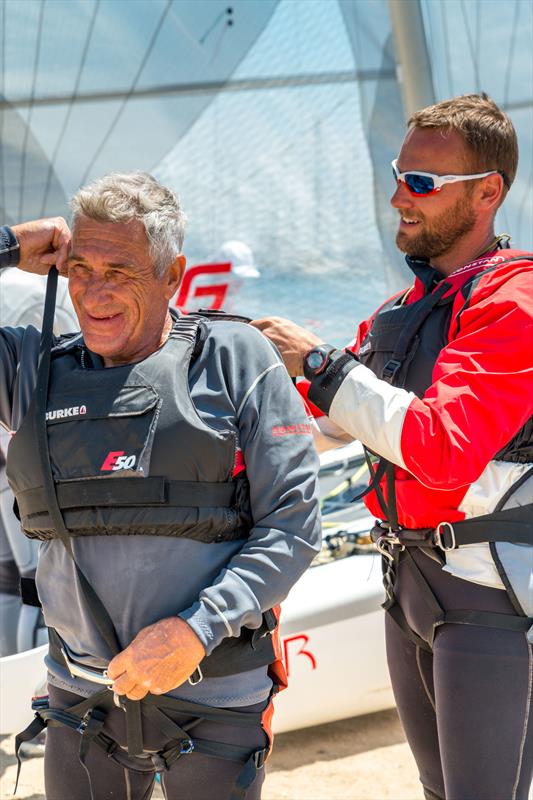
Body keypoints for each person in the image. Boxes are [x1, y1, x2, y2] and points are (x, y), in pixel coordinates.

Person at [0, 175, 321, 800]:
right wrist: (8, 245)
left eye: (119, 271)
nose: (93, 292)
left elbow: (295, 522)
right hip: (82, 698)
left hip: (216, 697)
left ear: (172, 275)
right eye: (81, 268)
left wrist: (195, 629)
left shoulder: (234, 356)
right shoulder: (30, 369)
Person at [253, 93, 533, 800]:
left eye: (420, 184)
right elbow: (321, 429)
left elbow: (442, 448)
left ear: (486, 193)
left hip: (491, 603)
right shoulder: (398, 314)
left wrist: (319, 363)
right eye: (396, 175)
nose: (396, 199)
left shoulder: (516, 299)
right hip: (406, 589)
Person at [0, 231, 77, 656]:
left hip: (12, 458)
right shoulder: (37, 291)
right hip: (28, 461)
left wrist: (9, 243)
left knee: (10, 584)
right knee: (34, 585)